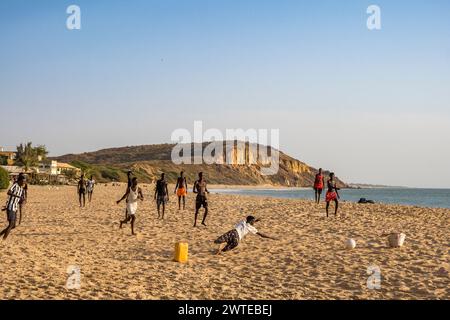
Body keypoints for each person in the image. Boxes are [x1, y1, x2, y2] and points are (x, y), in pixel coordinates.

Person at [0, 174, 25, 240]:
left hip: (15, 208)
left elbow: (19, 201)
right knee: (11, 224)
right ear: (19, 181)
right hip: (10, 206)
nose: (23, 182)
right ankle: (4, 239)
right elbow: (8, 192)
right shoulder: (15, 185)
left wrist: (21, 201)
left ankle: (1, 235)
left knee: (13, 226)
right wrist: (17, 196)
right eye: (22, 181)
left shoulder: (21, 189)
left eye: (24, 181)